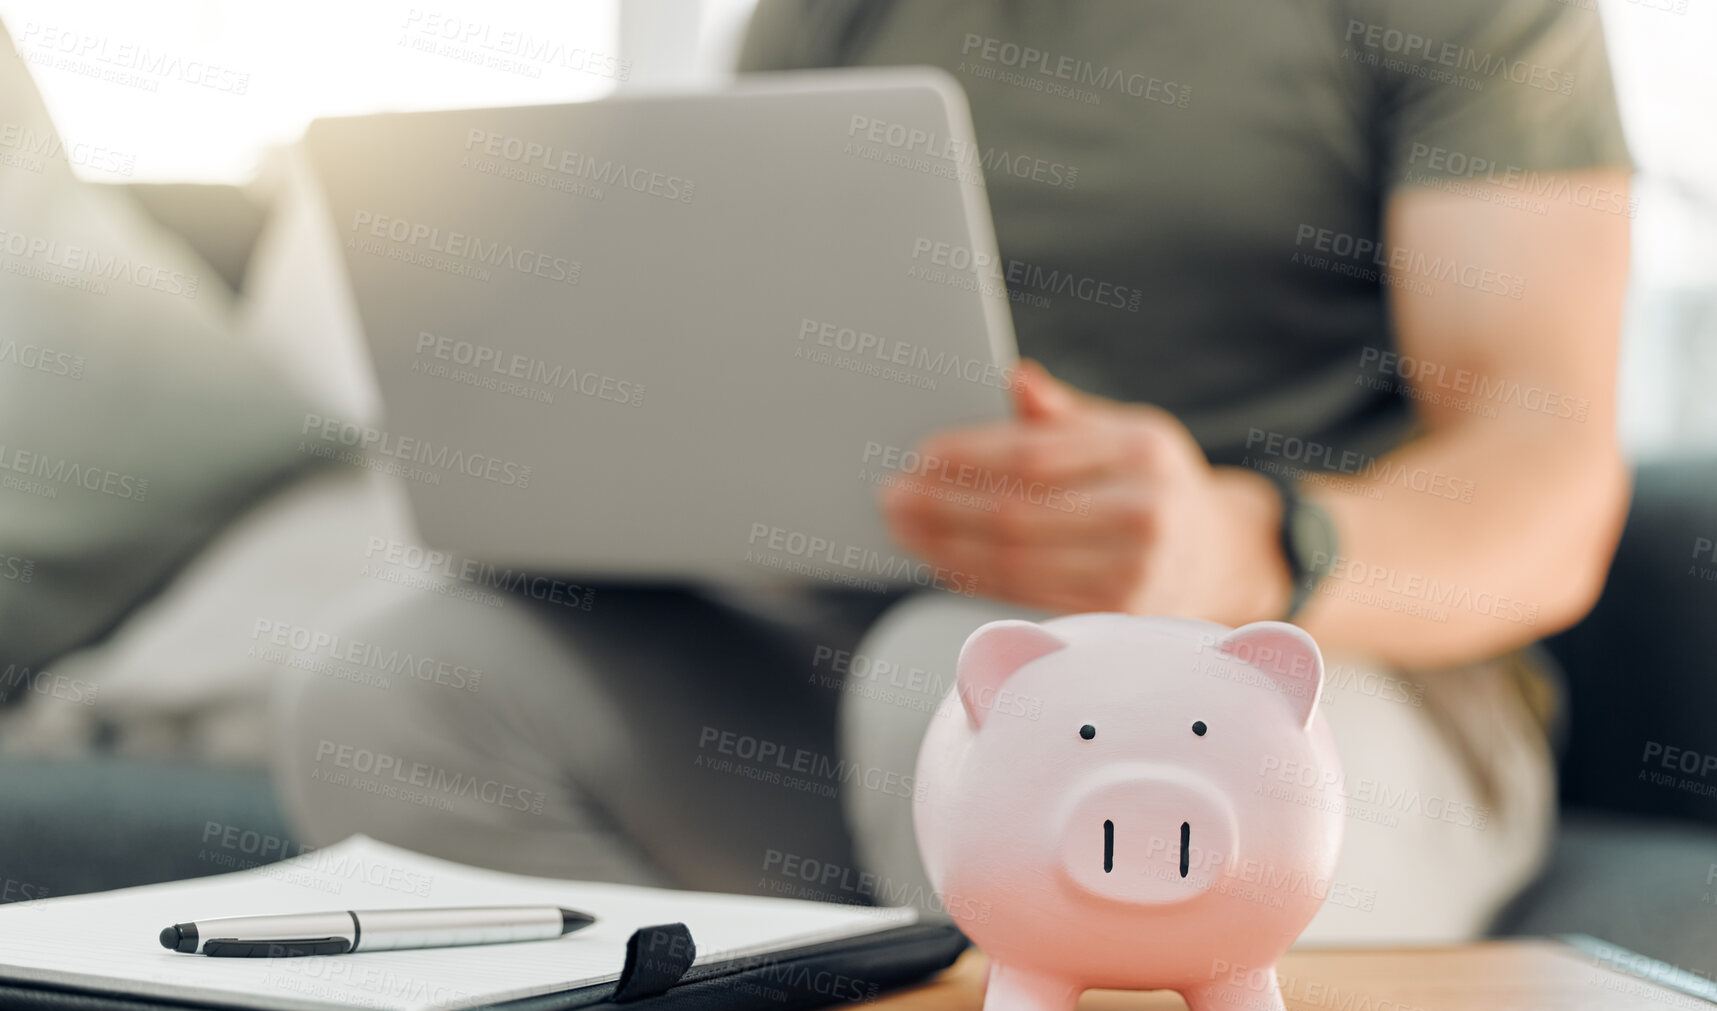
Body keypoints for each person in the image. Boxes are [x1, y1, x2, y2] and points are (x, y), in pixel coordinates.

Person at [273, 0, 1633, 943]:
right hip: (880, 654)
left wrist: (1241, 545)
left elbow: (1547, 483)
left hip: (1326, 676)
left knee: (981, 686)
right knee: (397, 689)